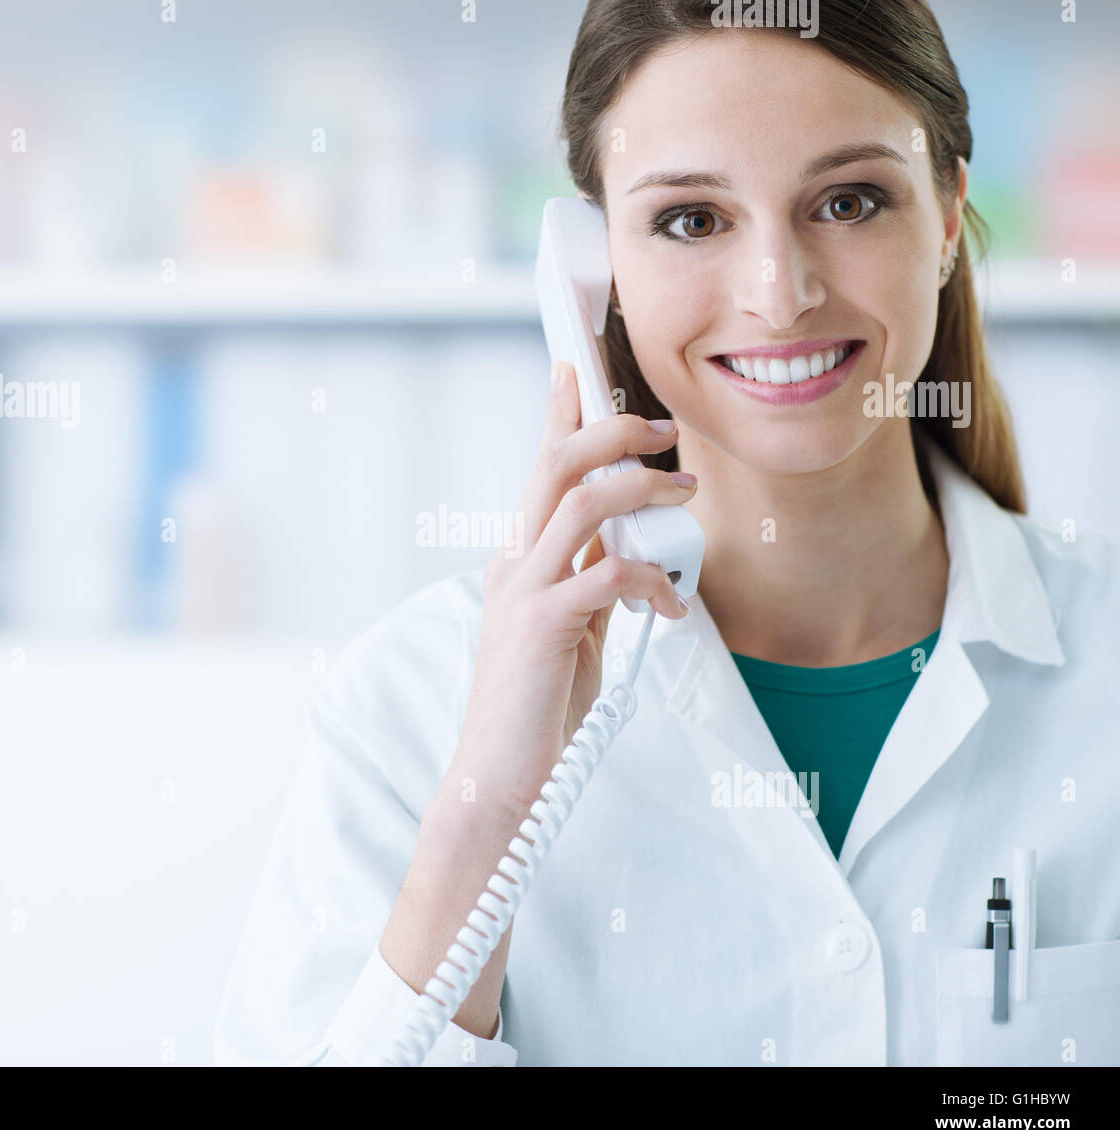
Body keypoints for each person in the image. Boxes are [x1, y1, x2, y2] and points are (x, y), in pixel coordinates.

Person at [215, 0, 1120, 1065]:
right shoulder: (407, 709)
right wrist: (489, 809)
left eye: (849, 199)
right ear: (591, 266)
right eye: (691, 219)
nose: (779, 294)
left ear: (946, 212)